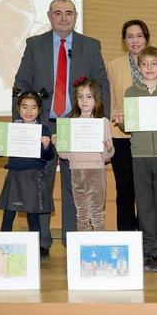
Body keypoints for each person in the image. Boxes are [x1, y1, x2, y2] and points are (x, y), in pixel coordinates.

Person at [13, 0, 110, 252]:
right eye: (58, 13)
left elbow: (102, 86)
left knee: (74, 183)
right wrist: (20, 122)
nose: (64, 18)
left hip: (76, 125)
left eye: (69, 13)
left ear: (76, 16)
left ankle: (72, 239)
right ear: (49, 16)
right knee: (40, 183)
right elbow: (21, 83)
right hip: (43, 125)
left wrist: (102, 124)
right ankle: (42, 241)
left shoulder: (90, 46)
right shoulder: (35, 45)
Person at [111, 46, 157, 271]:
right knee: (144, 205)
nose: (149, 68)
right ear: (138, 67)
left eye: (154, 64)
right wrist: (122, 121)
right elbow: (129, 126)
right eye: (145, 64)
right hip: (140, 155)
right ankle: (148, 249)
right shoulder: (132, 92)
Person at [0, 90, 55, 248]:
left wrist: (46, 145)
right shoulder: (11, 128)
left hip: (33, 177)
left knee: (33, 216)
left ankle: (34, 249)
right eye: (25, 107)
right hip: (14, 176)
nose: (29, 111)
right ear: (18, 108)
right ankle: (2, 247)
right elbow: (1, 152)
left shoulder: (43, 130)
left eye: (33, 107)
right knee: (8, 215)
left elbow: (49, 156)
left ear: (40, 110)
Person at [105, 20, 149, 231]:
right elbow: (111, 100)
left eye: (139, 35)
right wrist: (116, 117)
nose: (135, 40)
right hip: (121, 136)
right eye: (130, 36)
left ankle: (146, 236)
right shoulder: (114, 65)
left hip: (149, 137)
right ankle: (126, 236)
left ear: (146, 38)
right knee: (124, 189)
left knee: (146, 190)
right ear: (124, 41)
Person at [55, 77, 114, 232]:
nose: (84, 101)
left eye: (89, 97)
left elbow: (107, 156)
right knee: (81, 212)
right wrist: (59, 143)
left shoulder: (103, 122)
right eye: (80, 97)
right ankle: (82, 249)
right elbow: (64, 154)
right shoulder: (70, 122)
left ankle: (99, 248)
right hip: (76, 170)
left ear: (96, 99)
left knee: (96, 212)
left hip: (96, 171)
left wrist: (108, 147)